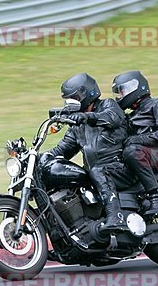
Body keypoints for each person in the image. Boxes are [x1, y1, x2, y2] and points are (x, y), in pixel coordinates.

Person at [42, 73, 134, 231]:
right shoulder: (77, 127)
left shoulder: (109, 105)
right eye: (69, 99)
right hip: (97, 173)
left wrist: (86, 117)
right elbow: (62, 150)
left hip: (120, 167)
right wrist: (41, 158)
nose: (71, 102)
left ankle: (116, 217)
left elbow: (112, 118)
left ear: (88, 93)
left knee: (97, 171)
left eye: (75, 97)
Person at [112, 70, 158, 218]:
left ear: (135, 87)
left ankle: (155, 195)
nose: (119, 96)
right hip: (139, 155)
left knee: (131, 151)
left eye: (121, 92)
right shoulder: (130, 116)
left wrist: (137, 140)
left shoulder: (157, 104)